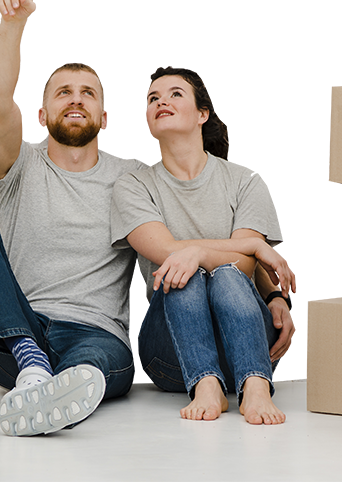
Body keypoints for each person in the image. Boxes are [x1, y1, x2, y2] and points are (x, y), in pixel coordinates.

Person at [0, 0, 145, 437]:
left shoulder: (133, 179)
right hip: (18, 329)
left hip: (97, 334)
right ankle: (32, 365)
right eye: (63, 93)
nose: (75, 99)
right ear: (40, 117)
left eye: (87, 94)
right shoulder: (20, 168)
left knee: (95, 363)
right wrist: (13, 25)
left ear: (103, 120)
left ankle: (61, 388)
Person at [111, 67, 297, 425]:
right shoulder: (133, 186)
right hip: (171, 355)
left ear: (202, 114)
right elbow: (166, 251)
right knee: (184, 273)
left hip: (244, 344)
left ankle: (256, 386)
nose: (161, 101)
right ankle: (205, 383)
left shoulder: (244, 180)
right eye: (152, 98)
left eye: (175, 94)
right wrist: (248, 247)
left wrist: (275, 295)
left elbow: (243, 268)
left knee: (225, 273)